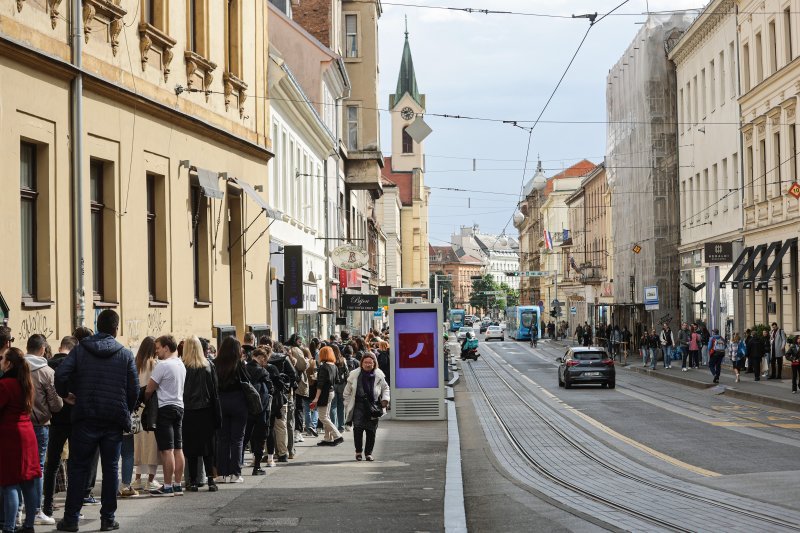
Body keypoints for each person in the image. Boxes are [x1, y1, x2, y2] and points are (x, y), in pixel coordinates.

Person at [54, 309, 139, 532]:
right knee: (111, 469)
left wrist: (66, 394)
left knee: (79, 468)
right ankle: (108, 519)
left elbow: (61, 375)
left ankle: (71, 519)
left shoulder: (81, 350)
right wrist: (125, 409)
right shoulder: (125, 354)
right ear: (116, 328)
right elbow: (134, 390)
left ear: (98, 326)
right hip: (113, 418)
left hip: (85, 416)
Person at [1, 348, 42, 533]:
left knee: (9, 481)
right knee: (28, 482)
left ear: (8, 363)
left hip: (10, 436)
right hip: (27, 433)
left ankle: (9, 527)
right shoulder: (26, 382)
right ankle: (29, 525)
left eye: (2, 359)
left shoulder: (5, 384)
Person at [23, 334, 63, 527]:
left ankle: (19, 508)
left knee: (19, 466)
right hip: (40, 425)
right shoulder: (47, 371)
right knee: (37, 467)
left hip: (19, 423)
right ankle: (37, 510)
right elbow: (55, 404)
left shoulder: (16, 368)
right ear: (42, 350)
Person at [144, 335, 186, 497]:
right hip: (179, 407)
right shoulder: (181, 364)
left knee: (166, 450)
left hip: (164, 408)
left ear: (167, 348)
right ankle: (177, 484)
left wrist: (146, 398)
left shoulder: (163, 365)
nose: (157, 351)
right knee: (178, 448)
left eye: (158, 348)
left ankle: (167, 486)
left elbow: (149, 389)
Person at [42, 336, 78, 516]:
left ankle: (47, 506)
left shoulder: (48, 365)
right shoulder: (76, 365)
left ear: (60, 347)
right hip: (75, 418)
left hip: (55, 420)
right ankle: (73, 509)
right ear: (74, 349)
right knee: (75, 464)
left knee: (52, 464)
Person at [181, 336, 221, 492]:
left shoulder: (183, 366)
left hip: (188, 411)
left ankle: (192, 481)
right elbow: (214, 392)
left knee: (191, 447)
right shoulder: (208, 366)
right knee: (208, 447)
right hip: (206, 410)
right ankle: (211, 479)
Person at [343, 352, 390, 461]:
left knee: (371, 431)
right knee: (358, 430)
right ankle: (358, 452)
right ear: (361, 363)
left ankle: (368, 453)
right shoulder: (354, 374)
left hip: (373, 406)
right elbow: (347, 392)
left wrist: (385, 399)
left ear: (374, 363)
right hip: (358, 406)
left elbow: (385, 388)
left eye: (370, 362)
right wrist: (348, 403)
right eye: (365, 362)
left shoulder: (379, 375)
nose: (368, 364)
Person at [215, 337, 248, 483]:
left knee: (223, 439)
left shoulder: (215, 364)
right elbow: (248, 382)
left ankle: (222, 473)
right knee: (237, 439)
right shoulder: (239, 364)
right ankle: (235, 473)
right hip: (239, 402)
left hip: (221, 402)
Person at [132, 337, 160, 492]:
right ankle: (151, 479)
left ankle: (137, 479)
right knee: (152, 445)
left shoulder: (136, 364)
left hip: (138, 407)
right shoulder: (155, 364)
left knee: (139, 444)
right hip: (151, 407)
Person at [244, 348, 272, 476]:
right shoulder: (263, 371)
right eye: (264, 358)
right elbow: (270, 387)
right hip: (262, 408)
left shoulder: (244, 369)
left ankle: (236, 466)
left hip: (247, 407)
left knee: (244, 437)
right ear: (260, 357)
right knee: (260, 437)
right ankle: (257, 466)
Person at [267, 345, 296, 463]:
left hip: (268, 398)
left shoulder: (265, 364)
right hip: (282, 397)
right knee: (282, 425)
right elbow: (294, 376)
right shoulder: (283, 359)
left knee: (268, 426)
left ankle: (269, 453)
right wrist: (288, 389)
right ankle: (283, 453)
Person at [309, 347, 343, 447]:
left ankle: (337, 436)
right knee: (326, 416)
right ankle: (328, 438)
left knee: (323, 417)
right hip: (331, 392)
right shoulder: (334, 366)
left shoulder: (324, 367)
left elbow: (320, 385)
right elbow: (337, 380)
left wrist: (316, 398)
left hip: (324, 393)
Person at [332, 346, 350, 433]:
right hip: (342, 385)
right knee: (341, 406)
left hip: (333, 384)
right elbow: (347, 372)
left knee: (333, 406)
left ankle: (333, 426)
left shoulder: (330, 360)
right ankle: (341, 426)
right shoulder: (343, 360)